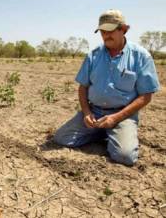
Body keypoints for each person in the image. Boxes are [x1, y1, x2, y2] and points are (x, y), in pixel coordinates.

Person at [53, 9, 160, 166]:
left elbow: (146, 96)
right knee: (61, 138)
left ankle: (115, 133)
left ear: (123, 29)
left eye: (111, 30)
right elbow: (83, 88)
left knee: (125, 157)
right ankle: (101, 132)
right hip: (94, 112)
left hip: (122, 115)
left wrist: (115, 118)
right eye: (102, 31)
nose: (106, 35)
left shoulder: (141, 56)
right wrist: (87, 113)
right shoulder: (93, 56)